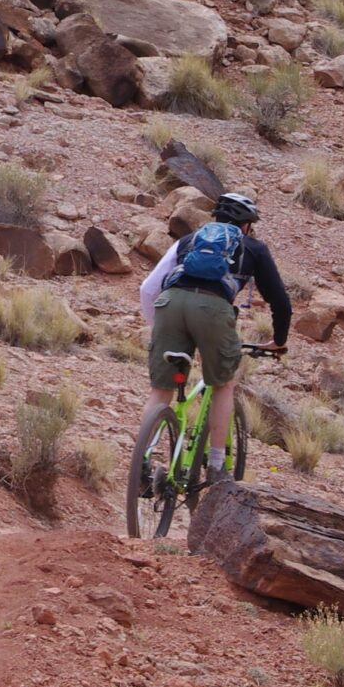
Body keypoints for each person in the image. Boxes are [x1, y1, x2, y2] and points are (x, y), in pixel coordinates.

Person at [137, 192, 291, 479]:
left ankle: (142, 461)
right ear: (246, 225)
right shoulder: (253, 248)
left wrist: (156, 324)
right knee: (223, 384)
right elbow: (280, 302)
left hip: (170, 306)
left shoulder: (188, 241)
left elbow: (148, 288)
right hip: (213, 310)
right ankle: (218, 466)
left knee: (161, 389)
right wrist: (279, 340)